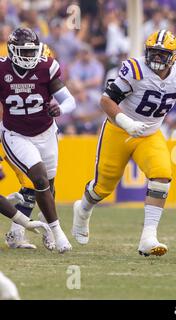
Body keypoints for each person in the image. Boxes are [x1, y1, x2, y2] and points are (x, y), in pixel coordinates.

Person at [72, 30, 176, 257]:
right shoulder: (135, 69)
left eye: (163, 54)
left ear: (174, 56)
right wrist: (126, 122)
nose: (157, 58)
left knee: (162, 174)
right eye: (154, 53)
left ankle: (148, 238)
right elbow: (106, 100)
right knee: (103, 188)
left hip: (150, 133)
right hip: (118, 130)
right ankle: (82, 210)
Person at [0, 28, 75, 253]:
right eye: (24, 51)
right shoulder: (2, 68)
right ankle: (57, 233)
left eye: (33, 51)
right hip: (16, 134)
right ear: (12, 50)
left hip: (46, 132)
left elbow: (69, 100)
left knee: (48, 187)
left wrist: (59, 108)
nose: (29, 56)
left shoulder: (46, 67)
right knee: (38, 180)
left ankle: (23, 231)